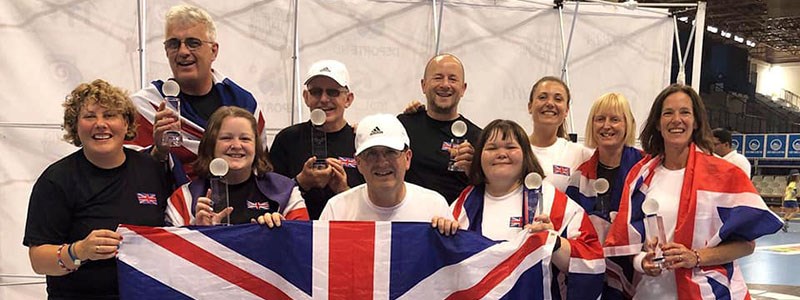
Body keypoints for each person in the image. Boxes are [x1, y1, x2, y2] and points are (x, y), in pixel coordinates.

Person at [604, 84, 783, 299]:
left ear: (696, 121)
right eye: (668, 113)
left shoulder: (725, 175)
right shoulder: (640, 177)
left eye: (685, 112)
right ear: (658, 123)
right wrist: (642, 261)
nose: (676, 120)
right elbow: (627, 243)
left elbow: (746, 246)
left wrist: (695, 257)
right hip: (650, 292)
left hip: (708, 292)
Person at [23, 79, 173, 299]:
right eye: (90, 116)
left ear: (126, 124)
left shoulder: (151, 170)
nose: (100, 124)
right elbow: (38, 261)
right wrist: (79, 251)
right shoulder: (57, 180)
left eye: (110, 115)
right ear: (76, 126)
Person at [451, 119, 604, 299]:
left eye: (510, 147)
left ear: (526, 154)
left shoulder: (550, 201)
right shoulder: (465, 204)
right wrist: (441, 229)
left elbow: (592, 263)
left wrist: (555, 243)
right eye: (492, 148)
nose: (501, 154)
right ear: (479, 157)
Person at [129, 4, 265, 183]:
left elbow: (260, 169)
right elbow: (130, 177)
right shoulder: (146, 107)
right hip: (172, 198)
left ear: (213, 51)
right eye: (173, 44)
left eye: (193, 43)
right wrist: (159, 151)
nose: (183, 52)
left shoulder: (244, 104)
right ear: (166, 51)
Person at [167, 106, 308, 227]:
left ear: (256, 146)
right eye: (226, 138)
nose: (236, 145)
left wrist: (280, 231)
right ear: (211, 145)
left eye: (245, 139)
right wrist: (199, 231)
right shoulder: (185, 198)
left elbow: (303, 240)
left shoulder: (286, 192)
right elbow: (170, 248)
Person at [319, 114, 458, 235]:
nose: (382, 162)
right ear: (358, 163)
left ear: (407, 158)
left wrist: (448, 233)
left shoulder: (435, 207)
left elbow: (454, 256)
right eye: (371, 154)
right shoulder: (336, 210)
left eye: (391, 152)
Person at [565, 92, 643, 299]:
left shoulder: (645, 169)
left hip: (640, 275)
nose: (606, 126)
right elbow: (570, 230)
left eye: (615, 119)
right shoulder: (580, 177)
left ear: (627, 124)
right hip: (593, 277)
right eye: (600, 119)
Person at [270, 60, 364, 220]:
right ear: (306, 97)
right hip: (298, 231)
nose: (324, 99)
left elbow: (375, 203)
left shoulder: (361, 141)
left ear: (348, 99)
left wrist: (344, 190)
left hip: (346, 232)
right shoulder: (287, 139)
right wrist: (301, 182)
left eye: (333, 92)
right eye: (316, 92)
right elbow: (268, 198)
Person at [398, 53, 481, 204]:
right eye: (438, 78)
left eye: (453, 79)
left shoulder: (478, 138)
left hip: (454, 217)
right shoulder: (403, 126)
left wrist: (474, 171)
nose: (445, 84)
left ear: (463, 89)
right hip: (407, 216)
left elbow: (488, 192)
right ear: (423, 85)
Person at [527, 76, 593, 192]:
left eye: (558, 99)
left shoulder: (580, 154)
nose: (550, 103)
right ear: (530, 107)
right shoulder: (515, 150)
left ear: (566, 110)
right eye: (542, 97)